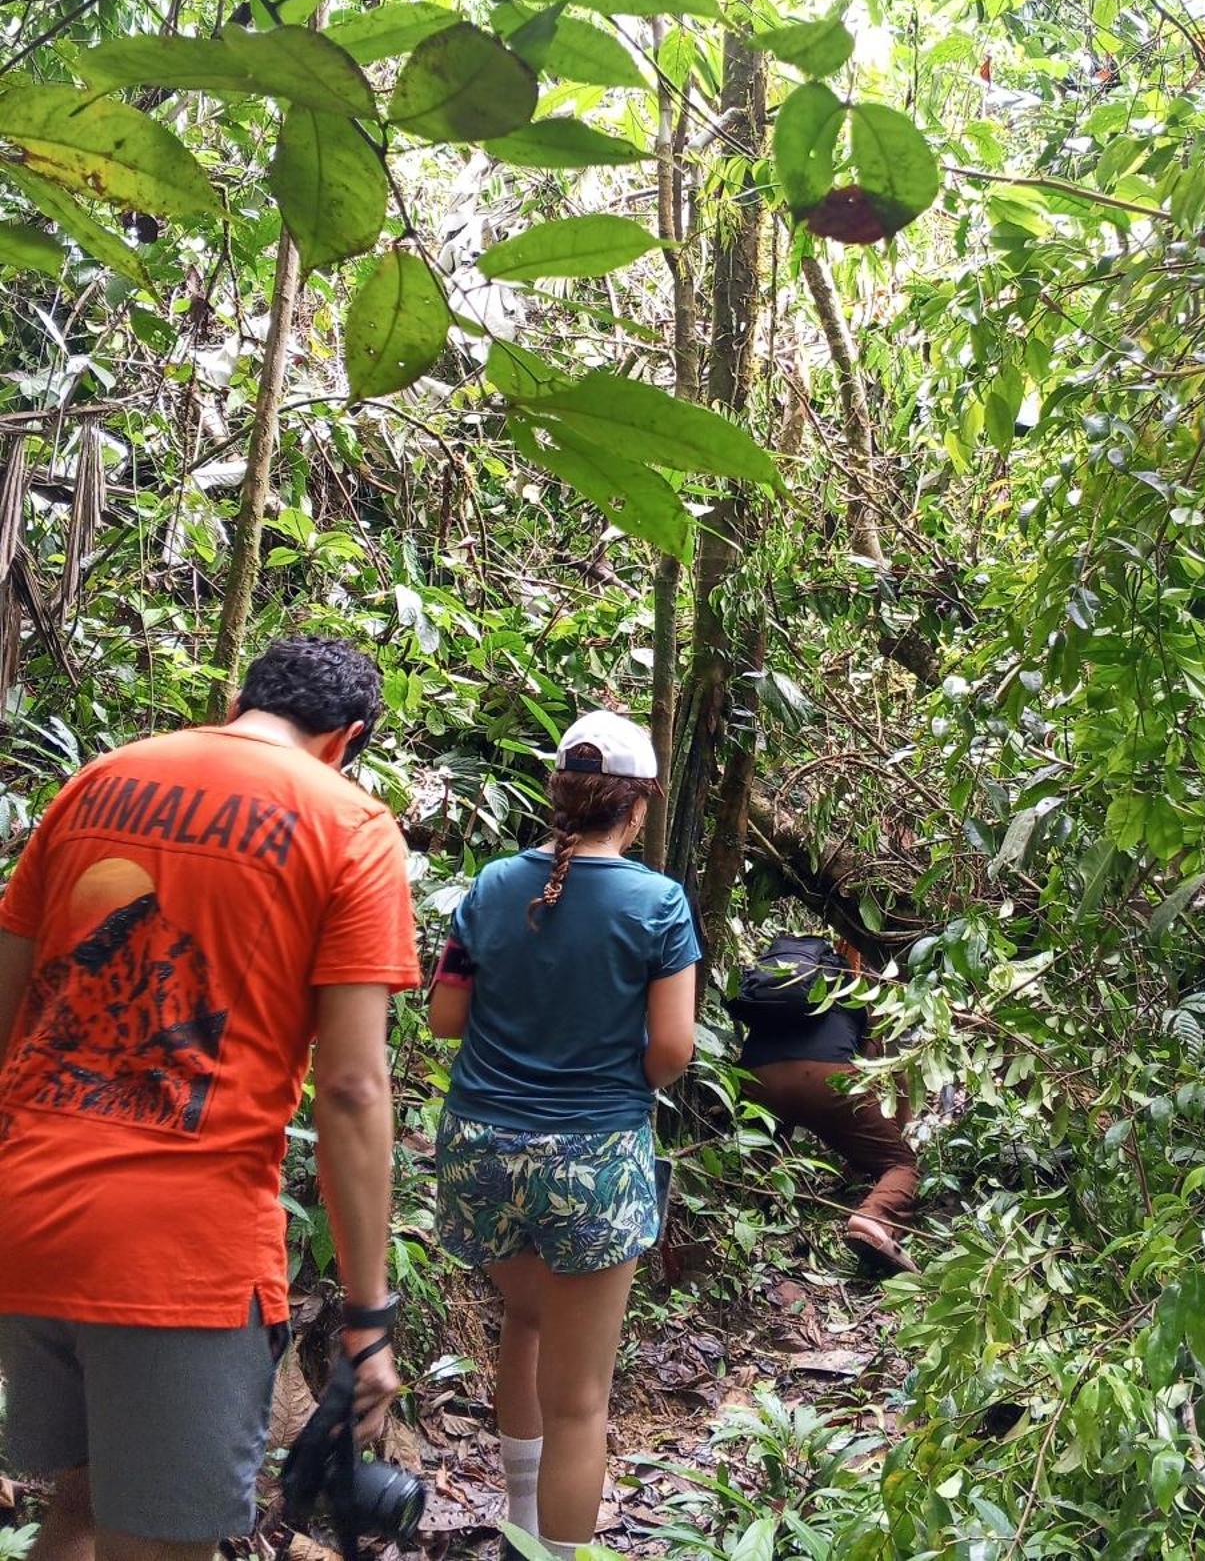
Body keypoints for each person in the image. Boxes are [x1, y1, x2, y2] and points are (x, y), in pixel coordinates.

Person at [0, 635, 421, 1561]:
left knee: (76, 1509)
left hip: (30, 1218)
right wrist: (367, 1318)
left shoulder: (100, 781)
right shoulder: (347, 824)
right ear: (344, 740)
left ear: (243, 702)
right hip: (177, 1255)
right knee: (165, 1544)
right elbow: (353, 1088)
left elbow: (11, 1005)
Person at [428, 709, 699, 1561]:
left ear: (560, 794)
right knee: (581, 1399)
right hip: (592, 1157)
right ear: (640, 805)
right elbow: (673, 1051)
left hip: (480, 1149)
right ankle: (552, 1553)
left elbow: (444, 1017)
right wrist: (616, 1089)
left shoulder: (491, 886)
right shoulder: (658, 904)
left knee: (527, 1320)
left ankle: (520, 1518)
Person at [731, 932, 920, 1276]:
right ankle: (872, 1220)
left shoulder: (769, 992)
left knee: (767, 1138)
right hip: (828, 1081)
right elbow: (880, 1070)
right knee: (901, 1163)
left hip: (755, 1078)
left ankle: (753, 1199)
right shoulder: (851, 989)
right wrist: (898, 1137)